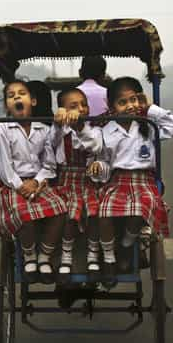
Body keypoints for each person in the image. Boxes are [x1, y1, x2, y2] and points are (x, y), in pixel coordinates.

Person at [92, 77, 173, 287]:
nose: (130, 106)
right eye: (123, 102)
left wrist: (149, 107)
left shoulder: (147, 126)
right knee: (103, 211)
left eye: (133, 100)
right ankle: (109, 260)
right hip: (116, 181)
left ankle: (126, 244)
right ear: (112, 107)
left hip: (144, 181)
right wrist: (98, 168)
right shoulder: (106, 131)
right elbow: (104, 164)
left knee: (139, 207)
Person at [0, 80, 66, 284]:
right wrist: (20, 186)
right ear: (7, 105)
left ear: (32, 101)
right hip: (11, 184)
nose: (16, 97)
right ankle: (29, 256)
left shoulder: (44, 129)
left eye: (21, 93)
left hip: (39, 182)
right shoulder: (1, 129)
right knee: (25, 212)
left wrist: (38, 181)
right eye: (11, 95)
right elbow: (4, 166)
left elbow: (49, 163)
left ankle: (44, 257)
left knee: (60, 209)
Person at [48, 88, 103, 283]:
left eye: (84, 104)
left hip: (89, 181)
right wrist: (57, 122)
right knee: (69, 215)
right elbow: (50, 144)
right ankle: (66, 257)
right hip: (65, 181)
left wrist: (80, 126)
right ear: (62, 109)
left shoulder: (94, 129)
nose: (80, 109)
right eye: (73, 106)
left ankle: (93, 256)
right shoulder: (59, 130)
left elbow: (95, 146)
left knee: (96, 212)